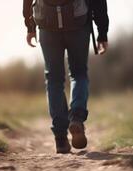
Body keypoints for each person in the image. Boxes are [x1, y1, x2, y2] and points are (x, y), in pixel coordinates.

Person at [23, 0, 109, 154]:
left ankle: (61, 139)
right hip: (77, 22)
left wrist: (30, 27)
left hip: (47, 23)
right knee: (78, 74)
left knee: (54, 80)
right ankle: (76, 117)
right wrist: (102, 32)